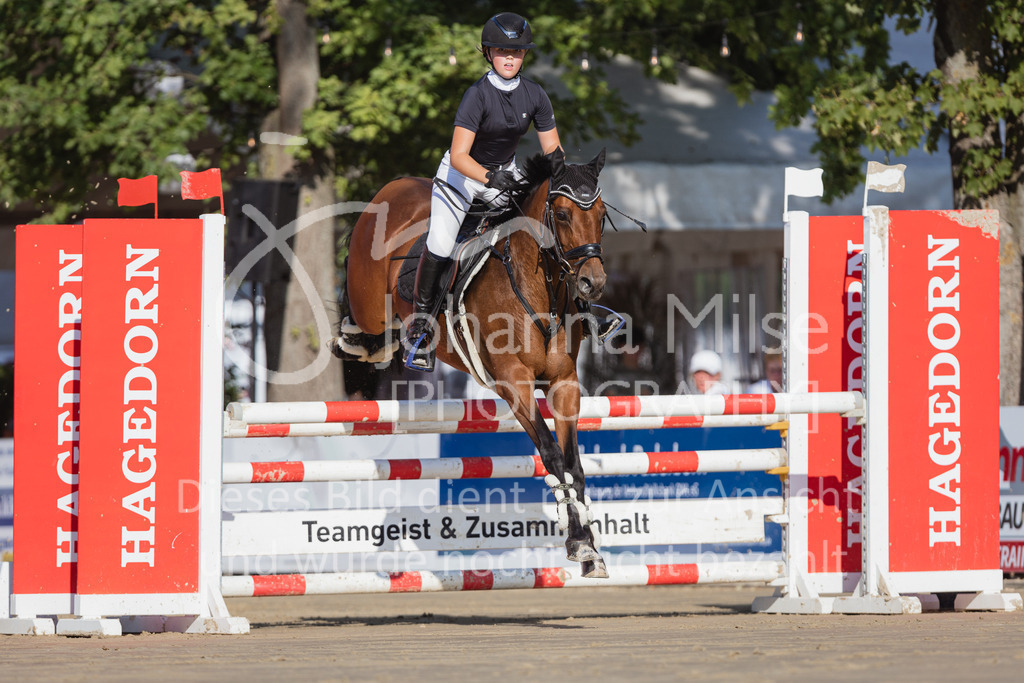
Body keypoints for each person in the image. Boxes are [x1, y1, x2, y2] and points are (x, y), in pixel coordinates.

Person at [403, 12, 561, 372]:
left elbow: (553, 151)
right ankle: (421, 329)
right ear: (488, 53)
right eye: (502, 51)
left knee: (542, 232)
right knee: (442, 244)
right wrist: (490, 179)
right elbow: (459, 156)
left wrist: (566, 175)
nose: (510, 58)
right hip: (461, 175)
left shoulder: (535, 94)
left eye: (517, 52)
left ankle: (576, 310)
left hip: (503, 174)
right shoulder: (477, 94)